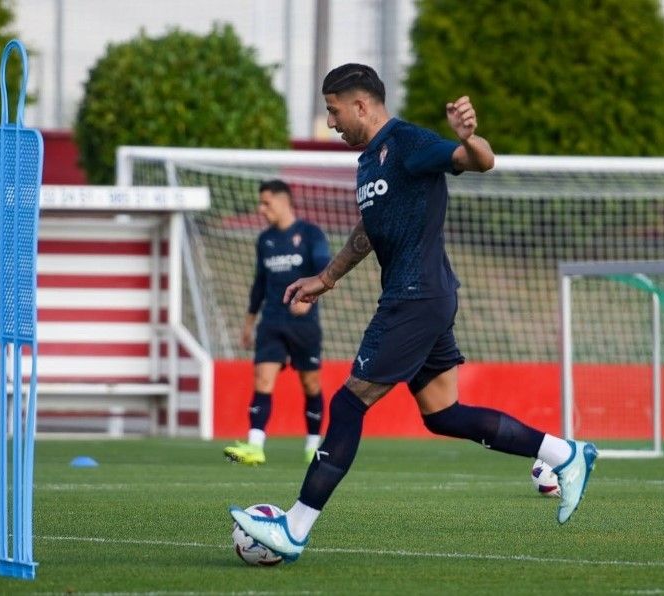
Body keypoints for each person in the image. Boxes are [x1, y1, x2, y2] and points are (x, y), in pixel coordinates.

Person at [230, 64, 599, 561]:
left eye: (333, 111)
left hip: (415, 296)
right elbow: (369, 229)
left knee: (347, 404)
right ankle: (564, 453)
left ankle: (294, 528)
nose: (331, 122)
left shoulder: (408, 142)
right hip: (423, 295)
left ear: (361, 105)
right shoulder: (368, 162)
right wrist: (327, 278)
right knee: (443, 414)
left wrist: (468, 138)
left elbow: (480, 160)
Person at [224, 179, 332, 466]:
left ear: (284, 201)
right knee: (262, 379)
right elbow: (259, 284)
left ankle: (313, 446)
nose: (261, 209)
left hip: (304, 323)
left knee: (310, 384)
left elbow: (325, 270)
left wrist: (308, 299)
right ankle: (255, 446)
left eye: (266, 203)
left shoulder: (311, 234)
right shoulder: (265, 240)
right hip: (271, 320)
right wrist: (249, 322)